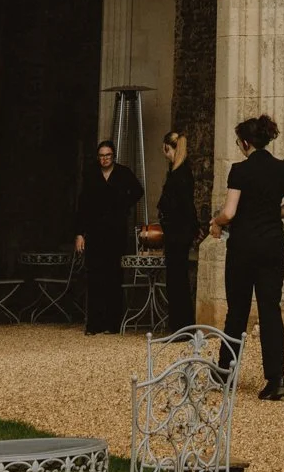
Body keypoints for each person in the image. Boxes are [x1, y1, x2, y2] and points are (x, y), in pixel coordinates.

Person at [211, 112, 284, 400]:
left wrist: (215, 222)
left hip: (243, 247)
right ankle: (276, 378)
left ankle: (226, 372)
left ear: (246, 143)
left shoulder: (240, 170)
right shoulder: (282, 168)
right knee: (270, 310)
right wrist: (269, 212)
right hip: (272, 245)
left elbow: (229, 212)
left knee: (237, 310)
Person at [75, 138, 142, 334]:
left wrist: (123, 206)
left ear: (114, 156)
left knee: (113, 277)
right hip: (95, 232)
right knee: (95, 277)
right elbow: (83, 205)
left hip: (115, 232)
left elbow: (138, 191)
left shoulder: (123, 173)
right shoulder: (91, 174)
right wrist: (79, 233)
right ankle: (94, 324)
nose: (105, 159)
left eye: (108, 155)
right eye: (101, 156)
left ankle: (112, 324)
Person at [148, 130, 199, 333]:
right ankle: (181, 324)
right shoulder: (180, 172)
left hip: (177, 233)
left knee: (176, 280)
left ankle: (181, 325)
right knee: (178, 279)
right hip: (179, 232)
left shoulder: (179, 174)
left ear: (167, 147)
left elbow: (185, 206)